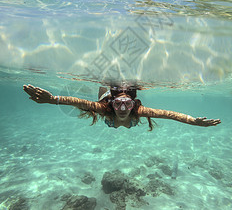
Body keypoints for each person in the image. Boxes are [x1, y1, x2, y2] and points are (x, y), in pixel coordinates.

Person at [23, 84, 221, 130]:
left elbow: (170, 115)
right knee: (112, 116)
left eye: (128, 103)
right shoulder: (105, 108)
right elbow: (78, 101)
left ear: (134, 104)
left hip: (119, 116)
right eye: (119, 103)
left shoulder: (138, 111)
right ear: (113, 104)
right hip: (106, 104)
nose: (123, 108)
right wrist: (53, 99)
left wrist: (192, 121)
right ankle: (107, 92)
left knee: (126, 124)